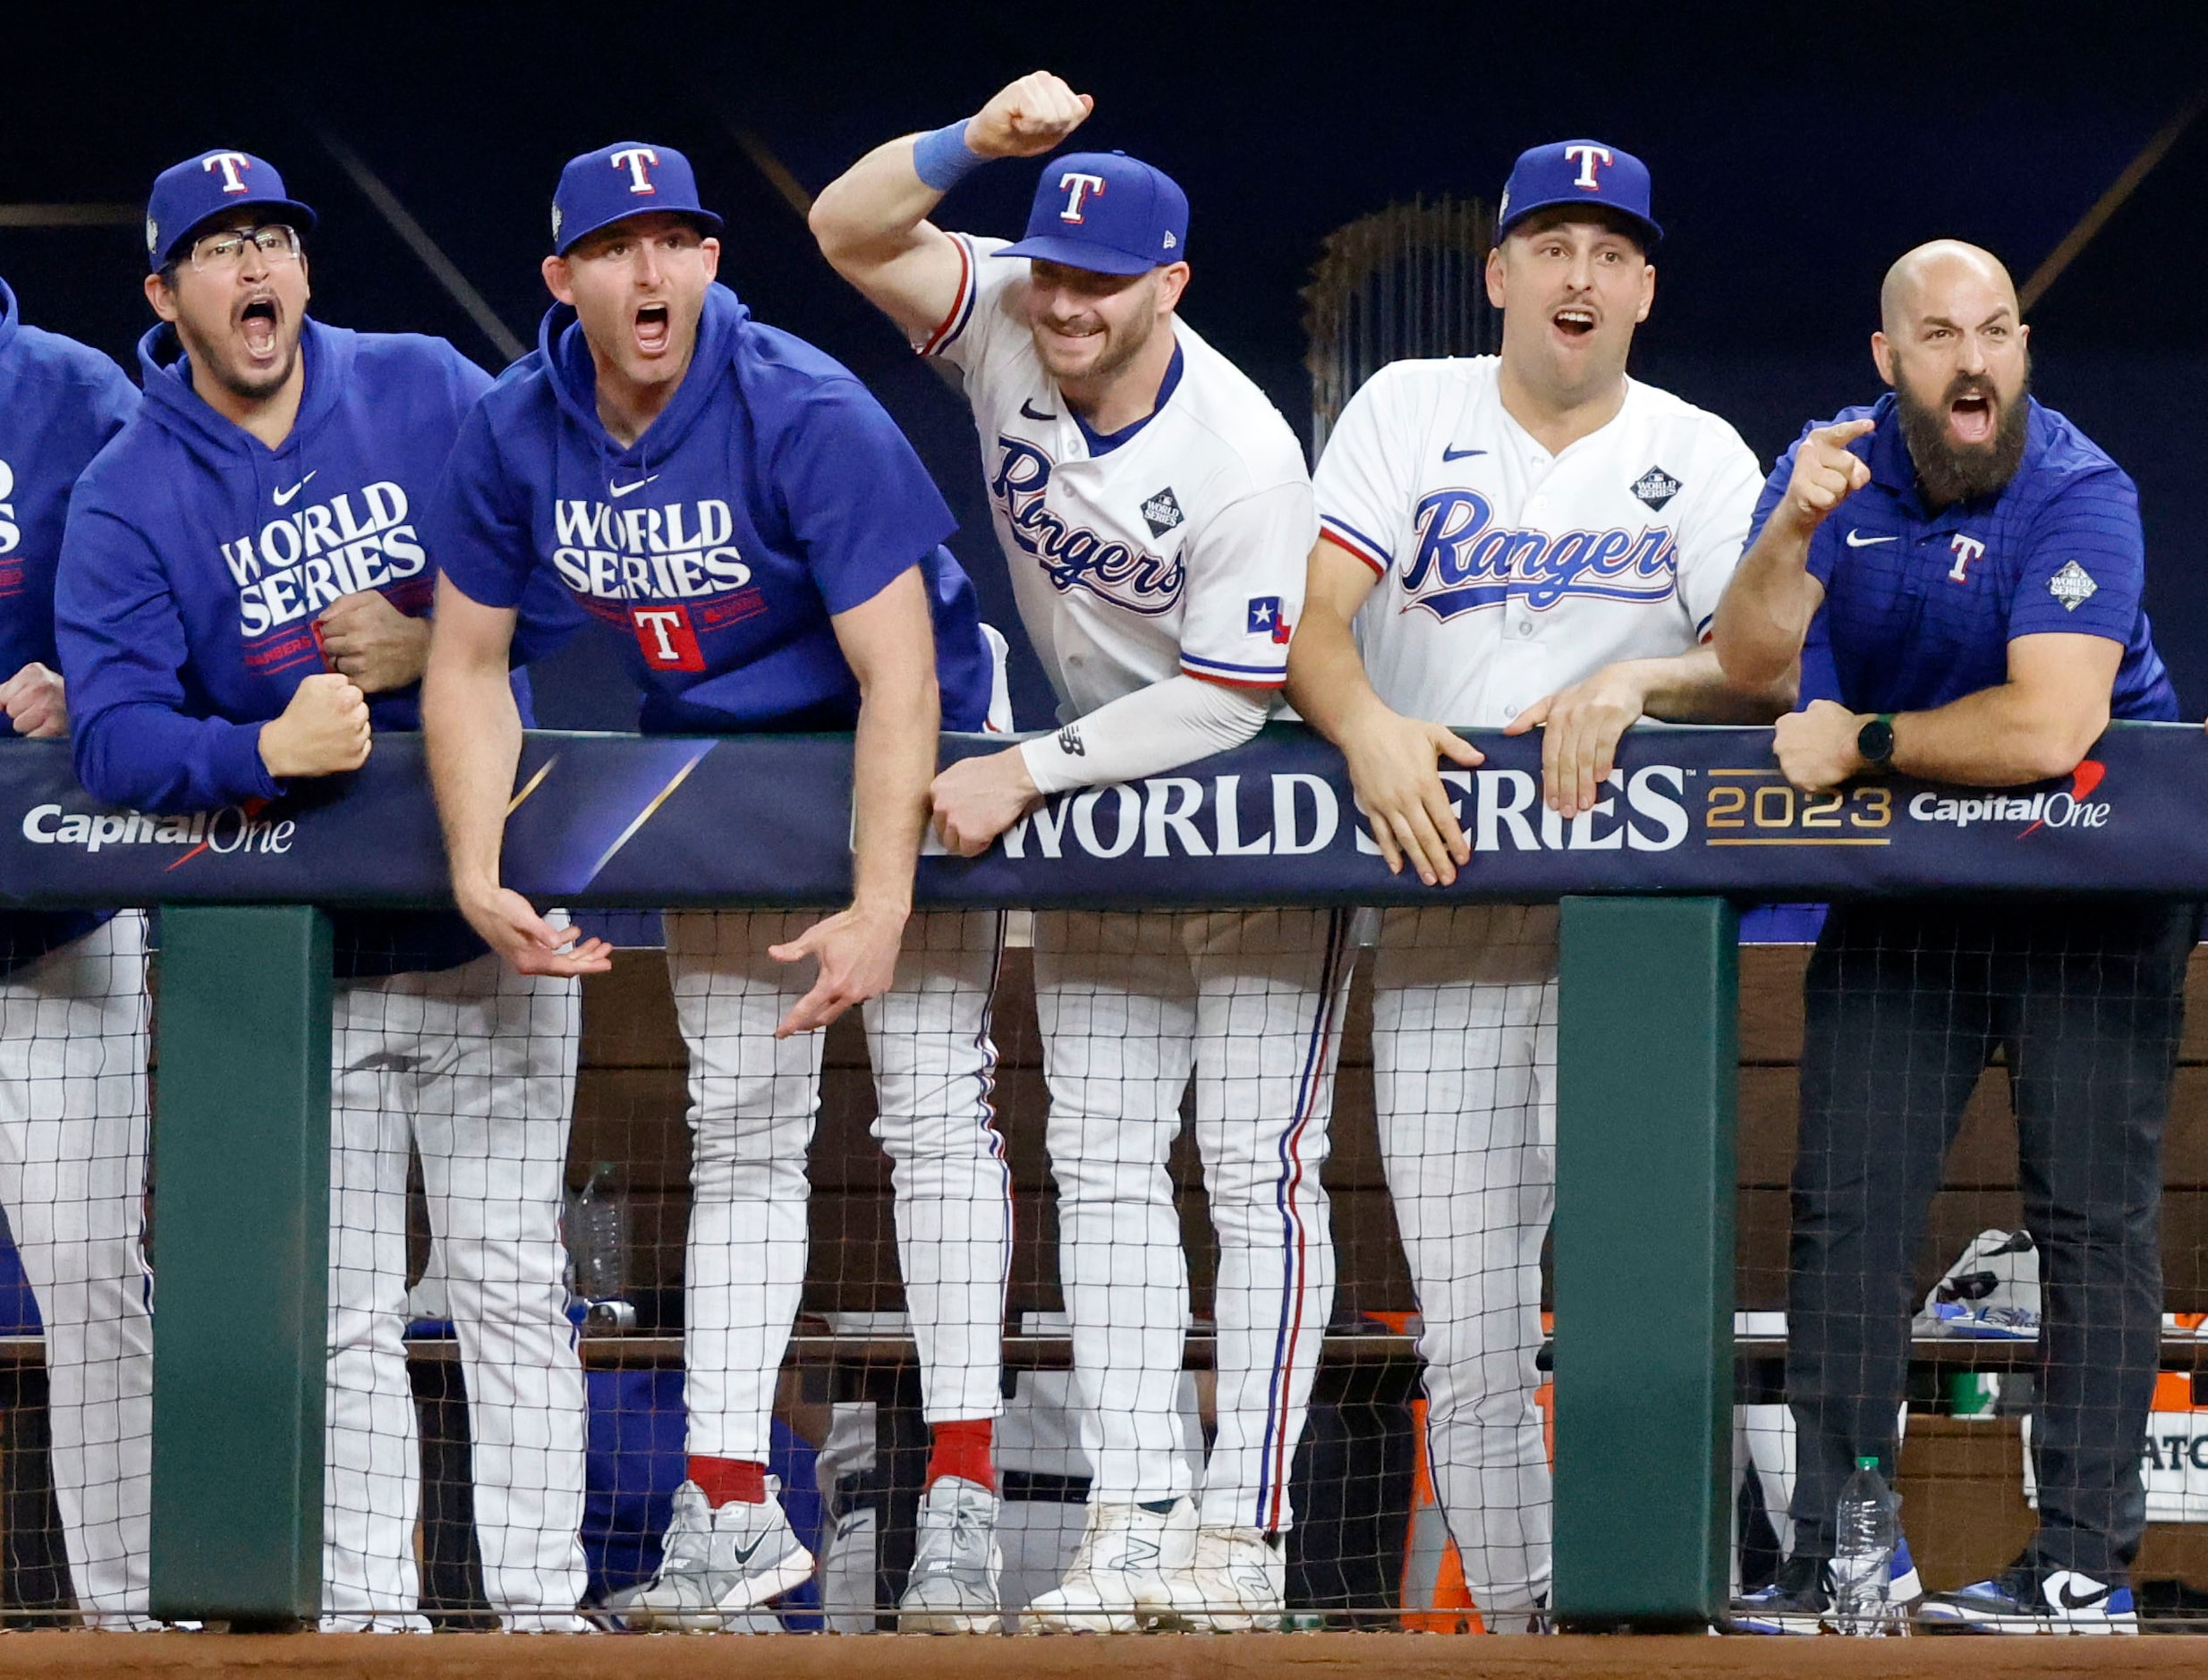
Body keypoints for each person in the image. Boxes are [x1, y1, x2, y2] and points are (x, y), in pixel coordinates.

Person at [420, 141, 1015, 1633]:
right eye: (617, 248)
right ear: (565, 279)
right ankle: (733, 1509)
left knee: (934, 1108)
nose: (652, 271)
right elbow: (468, 663)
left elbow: (900, 676)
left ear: (711, 263)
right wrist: (475, 865)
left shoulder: (799, 402)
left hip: (917, 738)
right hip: (734, 767)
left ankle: (962, 1502)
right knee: (740, 1130)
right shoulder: (516, 424)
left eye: (678, 241)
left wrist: (884, 899)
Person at [812, 72, 1353, 1634]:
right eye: (1052, 265)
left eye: (1103, 280)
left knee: (1260, 1177)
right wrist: (977, 146)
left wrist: (1028, 772)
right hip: (1098, 803)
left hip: (1255, 808)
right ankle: (1131, 1511)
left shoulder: (1244, 449)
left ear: (1170, 285)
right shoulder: (1003, 314)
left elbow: (1238, 692)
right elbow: (850, 226)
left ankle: (1240, 1534)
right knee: (1104, 1167)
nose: (1065, 299)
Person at [54, 149, 590, 1632]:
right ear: (167, 296)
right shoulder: (126, 490)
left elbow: (572, 550)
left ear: (302, 269)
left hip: (483, 919)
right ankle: (370, 1621)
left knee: (509, 1283)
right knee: (344, 1314)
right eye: (217, 252)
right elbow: (108, 731)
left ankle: (542, 1617)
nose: (253, 269)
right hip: (292, 965)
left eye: (271, 239)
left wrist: (443, 647)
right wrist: (256, 747)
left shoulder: (424, 386)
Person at [1285, 140, 1781, 1632]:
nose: (1580, 273)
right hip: (1443, 904)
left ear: (1642, 286)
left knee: (1654, 1309)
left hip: (1630, 932)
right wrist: (1364, 718)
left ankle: (1689, 1617)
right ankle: (1527, 1632)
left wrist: (1640, 675)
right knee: (1474, 1334)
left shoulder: (1697, 448)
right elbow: (1312, 630)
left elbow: (1757, 670)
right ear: (1498, 273)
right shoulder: (1406, 408)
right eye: (1551, 244)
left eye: (1610, 250)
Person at [1714, 240, 2188, 1636]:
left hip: (2093, 880)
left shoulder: (2082, 491)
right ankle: (1847, 1544)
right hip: (1917, 877)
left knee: (2089, 1221)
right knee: (1844, 1209)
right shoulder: (1832, 467)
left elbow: (2048, 728)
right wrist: (1788, 532)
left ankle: (2081, 1563)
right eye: (1940, 336)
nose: (1973, 361)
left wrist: (1860, 739)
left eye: (1996, 333)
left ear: (2023, 349)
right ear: (1888, 360)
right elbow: (1748, 668)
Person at [0, 268, 152, 1626]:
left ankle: (127, 1614)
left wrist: (82, 673)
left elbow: (164, 602)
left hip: (60, 929)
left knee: (92, 1273)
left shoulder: (76, 392)